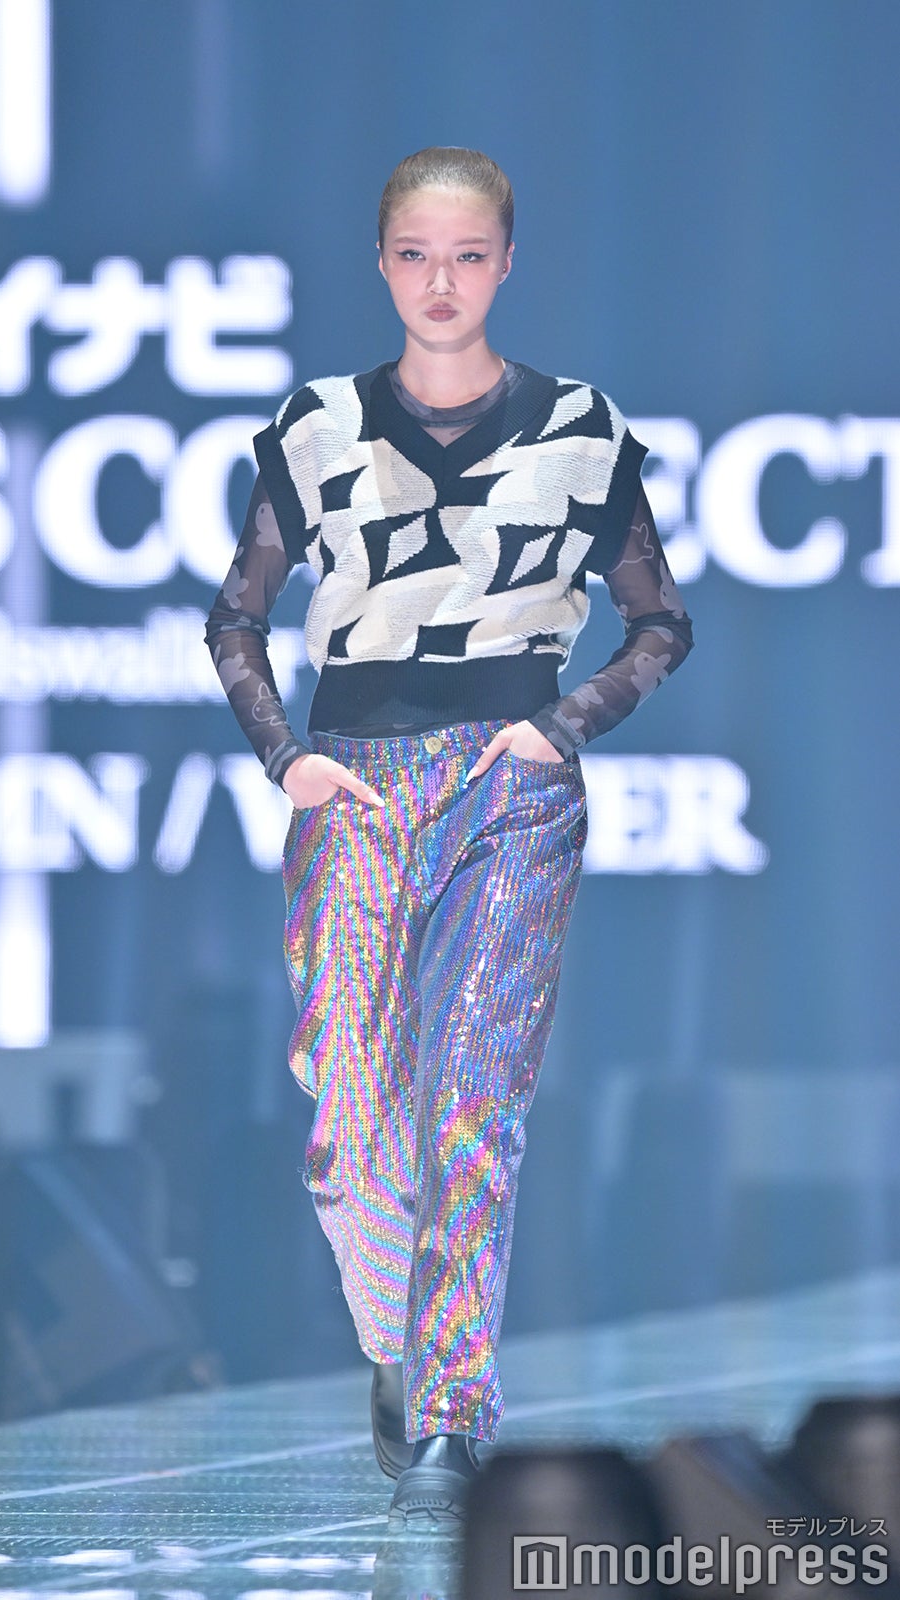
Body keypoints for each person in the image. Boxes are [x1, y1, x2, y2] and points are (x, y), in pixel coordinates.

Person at [205, 146, 693, 1531]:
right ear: (381, 263)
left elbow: (659, 621)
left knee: (475, 1101)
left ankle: (450, 1417)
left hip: (510, 785)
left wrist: (562, 726)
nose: (440, 281)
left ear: (505, 264)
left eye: (467, 256)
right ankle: (399, 1345)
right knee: (347, 1132)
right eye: (416, 255)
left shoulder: (579, 429)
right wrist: (288, 758)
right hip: (352, 783)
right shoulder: (316, 428)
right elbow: (235, 618)